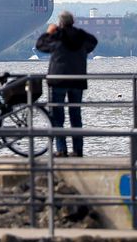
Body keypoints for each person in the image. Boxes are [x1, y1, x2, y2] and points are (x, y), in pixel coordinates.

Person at [36, 11, 98, 157]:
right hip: (77, 81)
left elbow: (40, 46)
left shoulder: (57, 37)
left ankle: (61, 150)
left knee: (57, 117)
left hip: (58, 81)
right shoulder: (82, 38)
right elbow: (93, 42)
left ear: (60, 23)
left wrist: (49, 33)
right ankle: (78, 150)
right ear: (73, 22)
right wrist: (79, 32)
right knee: (76, 116)